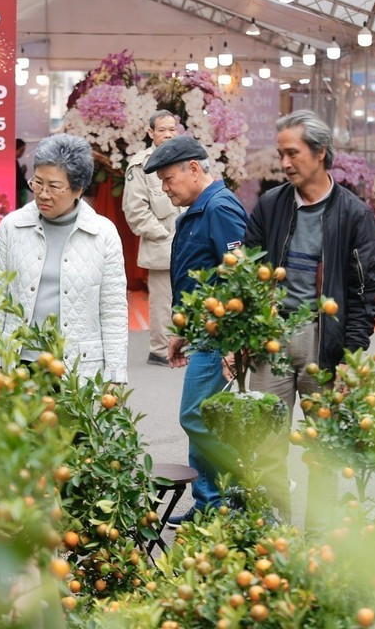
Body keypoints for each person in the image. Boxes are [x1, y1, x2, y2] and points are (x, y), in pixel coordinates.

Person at [243, 109, 375, 523]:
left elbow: (363, 293)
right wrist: (244, 337)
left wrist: (350, 357)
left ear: (320, 152)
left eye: (293, 153)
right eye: (281, 154)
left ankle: (320, 540)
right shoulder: (270, 206)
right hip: (273, 342)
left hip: (325, 344)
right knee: (266, 447)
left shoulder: (353, 214)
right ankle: (273, 537)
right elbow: (245, 273)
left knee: (324, 451)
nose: (285, 164)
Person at [143, 135, 248, 523]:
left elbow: (242, 280)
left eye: (169, 179)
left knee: (196, 417)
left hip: (220, 336)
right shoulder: (199, 209)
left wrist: (233, 345)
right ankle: (209, 504)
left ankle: (238, 493)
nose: (166, 189)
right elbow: (198, 276)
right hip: (202, 331)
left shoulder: (220, 209)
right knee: (204, 417)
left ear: (194, 169)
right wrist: (181, 328)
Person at [0, 133, 128, 383]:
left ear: (78, 189)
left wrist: (115, 376)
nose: (42, 194)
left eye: (53, 187)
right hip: (18, 364)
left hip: (76, 368)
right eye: (37, 183)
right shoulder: (12, 227)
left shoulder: (102, 233)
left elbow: (113, 309)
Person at [122, 110, 180, 366]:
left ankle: (182, 345)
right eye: (162, 130)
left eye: (172, 129)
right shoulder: (140, 165)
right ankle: (160, 350)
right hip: (162, 246)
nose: (167, 134)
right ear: (151, 133)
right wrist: (163, 234)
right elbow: (135, 211)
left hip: (189, 243)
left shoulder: (187, 160)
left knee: (189, 297)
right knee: (163, 301)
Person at [15, 138, 31, 209]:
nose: (21, 154)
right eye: (20, 151)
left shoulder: (15, 162)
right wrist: (31, 187)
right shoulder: (14, 162)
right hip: (16, 194)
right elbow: (19, 180)